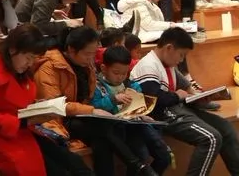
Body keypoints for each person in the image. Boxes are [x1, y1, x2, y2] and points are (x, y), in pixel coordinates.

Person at [0, 24, 94, 176]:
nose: (30, 63)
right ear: (12, 50)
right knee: (53, 170)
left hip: (23, 132)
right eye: (28, 58)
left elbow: (21, 103)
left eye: (34, 58)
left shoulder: (20, 72)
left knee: (74, 163)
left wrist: (40, 107)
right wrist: (25, 121)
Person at [35, 27, 155, 176]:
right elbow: (54, 105)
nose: (91, 58)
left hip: (83, 117)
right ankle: (138, 165)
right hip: (58, 120)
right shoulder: (49, 67)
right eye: (87, 54)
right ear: (71, 49)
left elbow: (89, 98)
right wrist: (91, 110)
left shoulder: (86, 66)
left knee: (102, 141)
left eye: (93, 53)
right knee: (102, 129)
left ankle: (137, 166)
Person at [131, 27, 239, 176]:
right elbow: (154, 98)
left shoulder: (167, 63)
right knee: (211, 138)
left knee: (225, 128)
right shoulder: (148, 65)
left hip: (178, 108)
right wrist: (177, 96)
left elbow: (187, 89)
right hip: (161, 114)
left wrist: (199, 97)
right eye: (181, 55)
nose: (181, 60)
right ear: (169, 48)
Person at [93, 46, 171, 175]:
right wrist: (113, 99)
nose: (120, 77)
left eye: (124, 73)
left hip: (136, 123)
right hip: (116, 128)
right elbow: (94, 106)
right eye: (116, 73)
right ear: (104, 68)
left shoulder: (131, 85)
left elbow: (140, 104)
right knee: (141, 156)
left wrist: (142, 113)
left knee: (163, 154)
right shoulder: (97, 86)